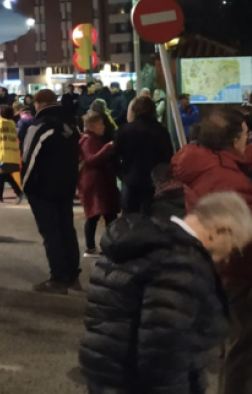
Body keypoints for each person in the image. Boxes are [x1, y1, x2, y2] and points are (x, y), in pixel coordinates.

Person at [79, 192, 252, 394]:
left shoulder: (140, 244)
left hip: (107, 375)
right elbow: (164, 350)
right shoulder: (182, 262)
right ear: (221, 231)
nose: (227, 259)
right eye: (234, 248)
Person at [172, 108, 252, 394]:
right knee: (244, 354)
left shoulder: (199, 163)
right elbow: (245, 240)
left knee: (231, 348)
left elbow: (248, 159)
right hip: (241, 276)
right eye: (245, 135)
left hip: (215, 270)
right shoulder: (230, 181)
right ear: (234, 140)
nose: (248, 141)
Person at [20, 89, 82, 294]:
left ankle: (57, 278)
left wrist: (26, 187)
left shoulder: (40, 126)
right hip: (65, 186)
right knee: (67, 230)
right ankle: (72, 275)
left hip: (43, 188)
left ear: (39, 104)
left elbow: (29, 158)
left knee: (51, 234)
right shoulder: (71, 126)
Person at [113, 96, 173, 216]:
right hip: (153, 181)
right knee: (150, 216)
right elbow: (168, 156)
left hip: (130, 178)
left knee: (129, 218)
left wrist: (121, 173)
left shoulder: (125, 129)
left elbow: (114, 155)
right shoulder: (160, 130)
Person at [78, 111, 118, 257]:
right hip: (94, 183)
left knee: (105, 214)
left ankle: (104, 246)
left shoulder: (88, 139)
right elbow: (91, 159)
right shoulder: (89, 140)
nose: (103, 127)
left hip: (97, 182)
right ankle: (92, 248)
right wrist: (107, 147)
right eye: (101, 124)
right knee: (96, 214)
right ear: (93, 126)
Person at [0, 104, 23, 204]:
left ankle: (18, 192)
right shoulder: (12, 124)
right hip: (10, 153)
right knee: (1, 174)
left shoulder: (0, 123)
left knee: (4, 174)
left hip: (2, 154)